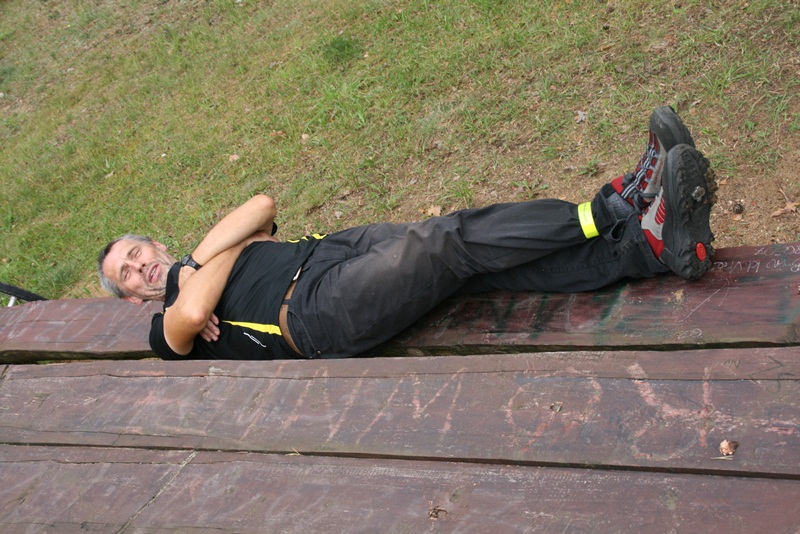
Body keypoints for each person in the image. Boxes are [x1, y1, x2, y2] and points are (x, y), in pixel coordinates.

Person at [98, 106, 715, 361]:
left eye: (135, 252)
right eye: (126, 275)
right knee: (446, 243)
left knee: (474, 261)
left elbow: (262, 204)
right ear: (131, 298)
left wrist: (202, 259)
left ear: (155, 244)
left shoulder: (197, 259)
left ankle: (648, 246)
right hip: (314, 314)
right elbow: (194, 311)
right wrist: (214, 263)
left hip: (332, 253)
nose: (138, 267)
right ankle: (615, 207)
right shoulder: (162, 328)